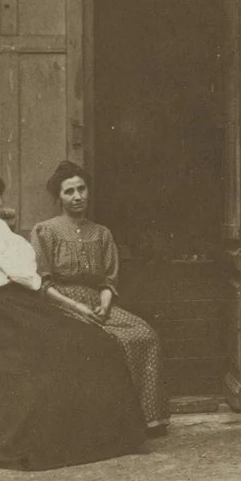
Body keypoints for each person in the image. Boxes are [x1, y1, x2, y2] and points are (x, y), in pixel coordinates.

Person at [0, 165, 146, 470]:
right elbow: (24, 271)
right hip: (11, 311)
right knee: (98, 343)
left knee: (77, 343)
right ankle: (104, 437)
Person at [31, 161, 170, 434]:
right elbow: (43, 284)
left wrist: (104, 306)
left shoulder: (102, 233)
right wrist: (78, 307)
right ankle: (112, 422)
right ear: (58, 197)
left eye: (81, 189)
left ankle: (146, 419)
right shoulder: (44, 231)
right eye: (69, 191)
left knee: (146, 335)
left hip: (99, 303)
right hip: (61, 305)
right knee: (104, 343)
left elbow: (108, 281)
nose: (77, 197)